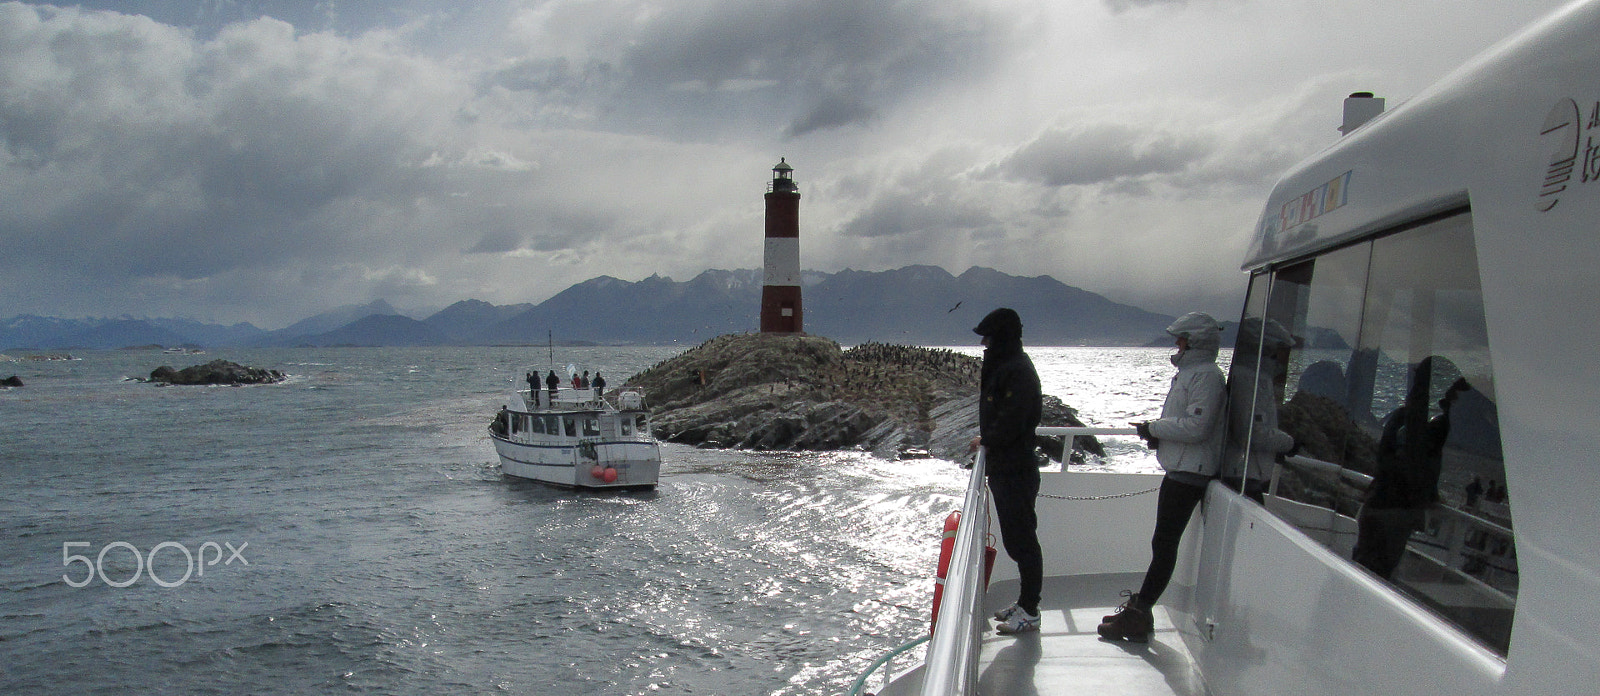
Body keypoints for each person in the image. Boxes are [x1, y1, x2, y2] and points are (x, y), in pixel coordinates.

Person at [1099, 312, 1227, 642]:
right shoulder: (1195, 374)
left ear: (1194, 342)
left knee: (1164, 544)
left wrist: (1153, 429)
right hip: (1182, 470)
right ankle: (1141, 611)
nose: (1177, 344)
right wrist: (1159, 435)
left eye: (1181, 339)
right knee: (1163, 543)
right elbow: (1189, 424)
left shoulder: (1206, 377)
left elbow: (1198, 427)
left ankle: (1140, 614)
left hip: (1190, 474)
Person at [968, 308, 1045, 635]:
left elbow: (1014, 419)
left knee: (1023, 542)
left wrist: (988, 439)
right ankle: (1024, 602)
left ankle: (1030, 609)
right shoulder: (1009, 366)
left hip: (1015, 468)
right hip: (1007, 466)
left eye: (988, 336)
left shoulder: (1016, 371)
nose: (984, 343)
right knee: (1017, 540)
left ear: (1001, 337)